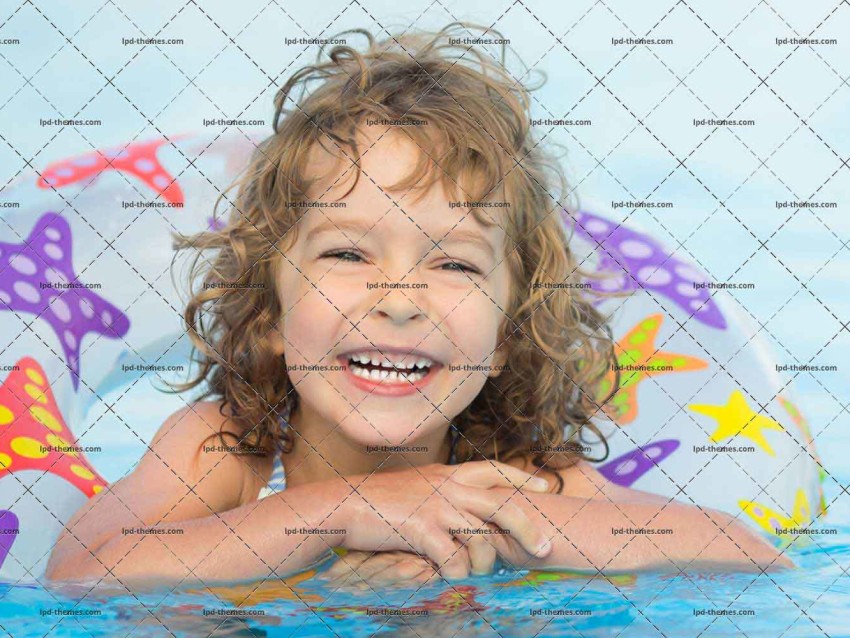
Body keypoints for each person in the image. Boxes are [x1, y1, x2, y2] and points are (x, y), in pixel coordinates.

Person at [46, 23, 789, 587]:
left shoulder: (510, 469)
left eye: (454, 262)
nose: (399, 300)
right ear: (269, 314)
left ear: (505, 332)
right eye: (347, 253)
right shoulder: (231, 450)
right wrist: (334, 514)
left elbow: (751, 559)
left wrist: (491, 527)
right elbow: (81, 573)